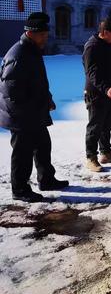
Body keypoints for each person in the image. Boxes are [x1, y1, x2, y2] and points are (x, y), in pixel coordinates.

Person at [0, 12, 69, 202]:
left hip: (34, 111)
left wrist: (47, 99)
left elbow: (37, 82)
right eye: (43, 35)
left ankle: (46, 179)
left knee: (43, 146)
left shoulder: (32, 51)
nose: (45, 39)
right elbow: (10, 91)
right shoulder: (19, 55)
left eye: (46, 35)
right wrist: (23, 117)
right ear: (30, 33)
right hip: (21, 115)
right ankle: (20, 189)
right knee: (22, 153)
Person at [83, 16, 111, 172]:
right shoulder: (92, 47)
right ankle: (91, 158)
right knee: (95, 126)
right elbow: (92, 73)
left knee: (107, 123)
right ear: (106, 32)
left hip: (110, 92)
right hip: (95, 93)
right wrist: (106, 88)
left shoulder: (110, 46)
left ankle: (106, 153)